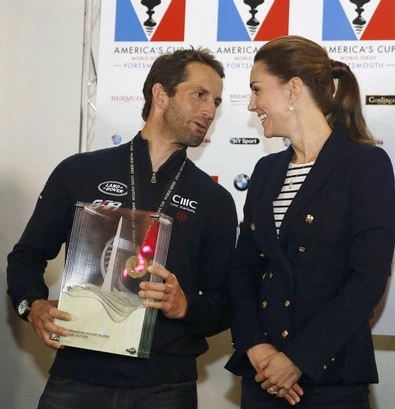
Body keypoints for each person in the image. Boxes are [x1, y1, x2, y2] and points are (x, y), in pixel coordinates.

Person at [6, 47, 238, 409]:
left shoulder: (215, 200)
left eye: (217, 101)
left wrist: (185, 306)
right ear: (161, 95)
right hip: (78, 377)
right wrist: (32, 305)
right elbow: (26, 256)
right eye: (200, 95)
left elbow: (225, 303)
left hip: (166, 387)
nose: (210, 111)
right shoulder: (79, 172)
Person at [224, 35, 395, 408]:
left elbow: (367, 280)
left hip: (331, 380)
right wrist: (255, 346)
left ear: (293, 89)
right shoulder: (266, 170)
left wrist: (298, 359)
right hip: (263, 377)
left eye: (257, 90)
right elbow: (243, 270)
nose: (252, 104)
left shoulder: (365, 165)